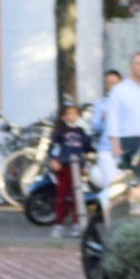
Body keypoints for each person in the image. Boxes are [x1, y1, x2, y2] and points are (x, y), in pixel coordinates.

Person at [50, 101, 90, 236]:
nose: (72, 116)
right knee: (61, 196)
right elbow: (53, 148)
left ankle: (77, 223)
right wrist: (54, 160)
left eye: (75, 114)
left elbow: (87, 147)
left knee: (76, 197)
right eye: (69, 114)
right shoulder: (59, 133)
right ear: (64, 116)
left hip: (77, 167)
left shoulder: (82, 132)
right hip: (64, 167)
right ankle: (58, 224)